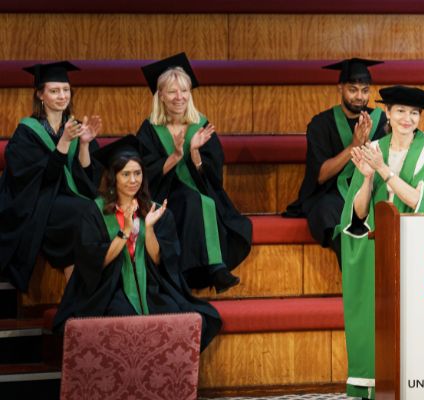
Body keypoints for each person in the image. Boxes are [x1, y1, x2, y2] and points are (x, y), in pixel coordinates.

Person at [335, 85, 424, 399]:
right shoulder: (373, 147)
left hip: (414, 255)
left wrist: (383, 170)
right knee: (374, 328)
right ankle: (372, 388)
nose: (407, 118)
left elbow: (421, 202)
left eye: (414, 112)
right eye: (400, 110)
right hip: (377, 253)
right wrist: (368, 177)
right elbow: (358, 215)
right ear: (386, 113)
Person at [53, 135, 221, 350]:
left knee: (185, 319)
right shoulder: (94, 213)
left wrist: (148, 228)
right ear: (113, 177)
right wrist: (124, 233)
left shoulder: (155, 211)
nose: (133, 180)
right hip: (110, 289)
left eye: (137, 173)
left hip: (150, 286)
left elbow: (161, 260)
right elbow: (95, 262)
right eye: (126, 174)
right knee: (124, 322)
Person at [137, 53, 252, 293]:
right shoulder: (149, 129)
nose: (179, 97)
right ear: (160, 96)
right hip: (165, 194)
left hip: (201, 189)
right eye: (172, 92)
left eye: (184, 91)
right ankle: (210, 269)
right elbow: (143, 173)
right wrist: (176, 156)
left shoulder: (200, 124)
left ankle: (211, 269)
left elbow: (213, 175)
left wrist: (195, 152)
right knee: (193, 201)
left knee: (202, 200)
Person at [0, 61, 102, 290]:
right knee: (83, 211)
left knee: (98, 208)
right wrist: (64, 142)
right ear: (40, 95)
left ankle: (95, 295)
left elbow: (87, 179)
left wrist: (84, 145)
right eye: (54, 91)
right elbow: (38, 181)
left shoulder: (74, 127)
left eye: (65, 90)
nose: (61, 96)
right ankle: (81, 296)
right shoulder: (26, 132)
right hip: (39, 203)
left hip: (70, 200)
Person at [283, 58, 388, 266]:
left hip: (370, 188)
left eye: (365, 90)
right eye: (353, 89)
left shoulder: (381, 121)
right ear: (340, 88)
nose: (360, 97)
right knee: (324, 211)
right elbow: (321, 175)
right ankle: (351, 263)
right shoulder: (321, 124)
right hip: (333, 193)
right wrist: (353, 146)